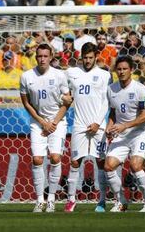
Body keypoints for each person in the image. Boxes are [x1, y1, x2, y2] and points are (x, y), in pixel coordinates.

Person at [20, 43, 71, 212]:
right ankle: (40, 199)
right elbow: (26, 103)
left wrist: (53, 123)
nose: (42, 59)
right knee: (37, 159)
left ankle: (51, 199)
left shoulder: (59, 75)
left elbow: (67, 102)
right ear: (36, 57)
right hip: (38, 122)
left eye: (45, 56)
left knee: (56, 158)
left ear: (51, 57)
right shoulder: (26, 76)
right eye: (39, 56)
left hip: (57, 122)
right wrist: (42, 122)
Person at [63, 42, 111, 213]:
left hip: (98, 126)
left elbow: (106, 101)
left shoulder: (104, 75)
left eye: (91, 58)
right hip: (79, 125)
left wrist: (98, 122)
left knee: (101, 162)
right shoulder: (72, 73)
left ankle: (102, 201)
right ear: (80, 57)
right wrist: (65, 97)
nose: (88, 61)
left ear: (96, 57)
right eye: (85, 58)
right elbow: (62, 88)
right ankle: (70, 200)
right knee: (75, 162)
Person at [104, 56, 145, 212]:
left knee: (135, 165)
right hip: (121, 134)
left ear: (131, 70)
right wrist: (109, 127)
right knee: (108, 166)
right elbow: (113, 112)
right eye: (119, 69)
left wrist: (124, 125)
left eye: (125, 69)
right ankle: (121, 202)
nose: (121, 72)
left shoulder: (140, 88)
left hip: (139, 133)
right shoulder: (111, 89)